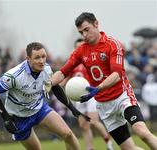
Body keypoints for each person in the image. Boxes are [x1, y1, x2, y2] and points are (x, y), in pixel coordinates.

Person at [47, 12, 157, 150]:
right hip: (104, 106)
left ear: (96, 24)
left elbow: (117, 74)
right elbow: (63, 72)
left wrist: (98, 88)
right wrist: (48, 84)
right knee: (128, 148)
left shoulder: (113, 44)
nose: (85, 35)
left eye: (87, 30)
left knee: (142, 132)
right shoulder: (80, 51)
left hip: (122, 97)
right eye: (81, 32)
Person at [0, 42, 90, 150]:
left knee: (68, 134)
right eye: (37, 58)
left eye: (43, 56)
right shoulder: (14, 76)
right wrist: (6, 118)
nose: (41, 61)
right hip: (19, 118)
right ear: (28, 58)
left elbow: (54, 87)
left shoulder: (46, 69)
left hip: (40, 109)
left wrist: (72, 108)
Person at [61, 38, 114, 150]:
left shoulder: (90, 60)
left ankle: (108, 140)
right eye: (78, 46)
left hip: (91, 95)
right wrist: (60, 84)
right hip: (78, 97)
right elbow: (66, 79)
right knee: (83, 125)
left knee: (93, 122)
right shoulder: (72, 63)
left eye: (82, 46)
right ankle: (90, 148)